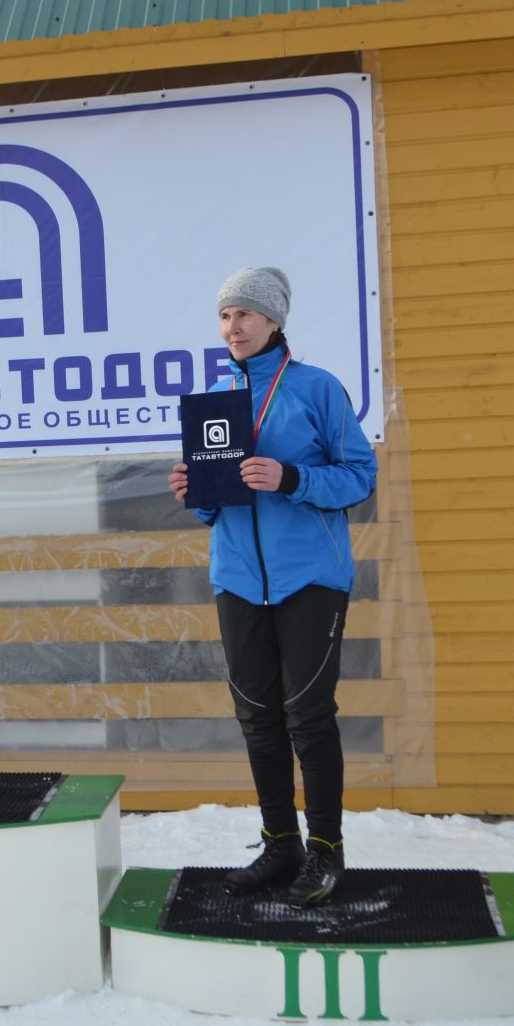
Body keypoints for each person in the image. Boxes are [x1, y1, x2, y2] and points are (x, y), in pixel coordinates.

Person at [166, 267, 376, 907]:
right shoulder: (215, 399)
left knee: (308, 718)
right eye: (225, 316)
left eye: (245, 315)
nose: (233, 327)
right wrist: (195, 494)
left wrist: (290, 478)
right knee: (257, 718)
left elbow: (359, 477)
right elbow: (219, 501)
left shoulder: (315, 389)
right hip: (236, 579)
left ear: (275, 321)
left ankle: (326, 850)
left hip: (309, 577)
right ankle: (280, 843)